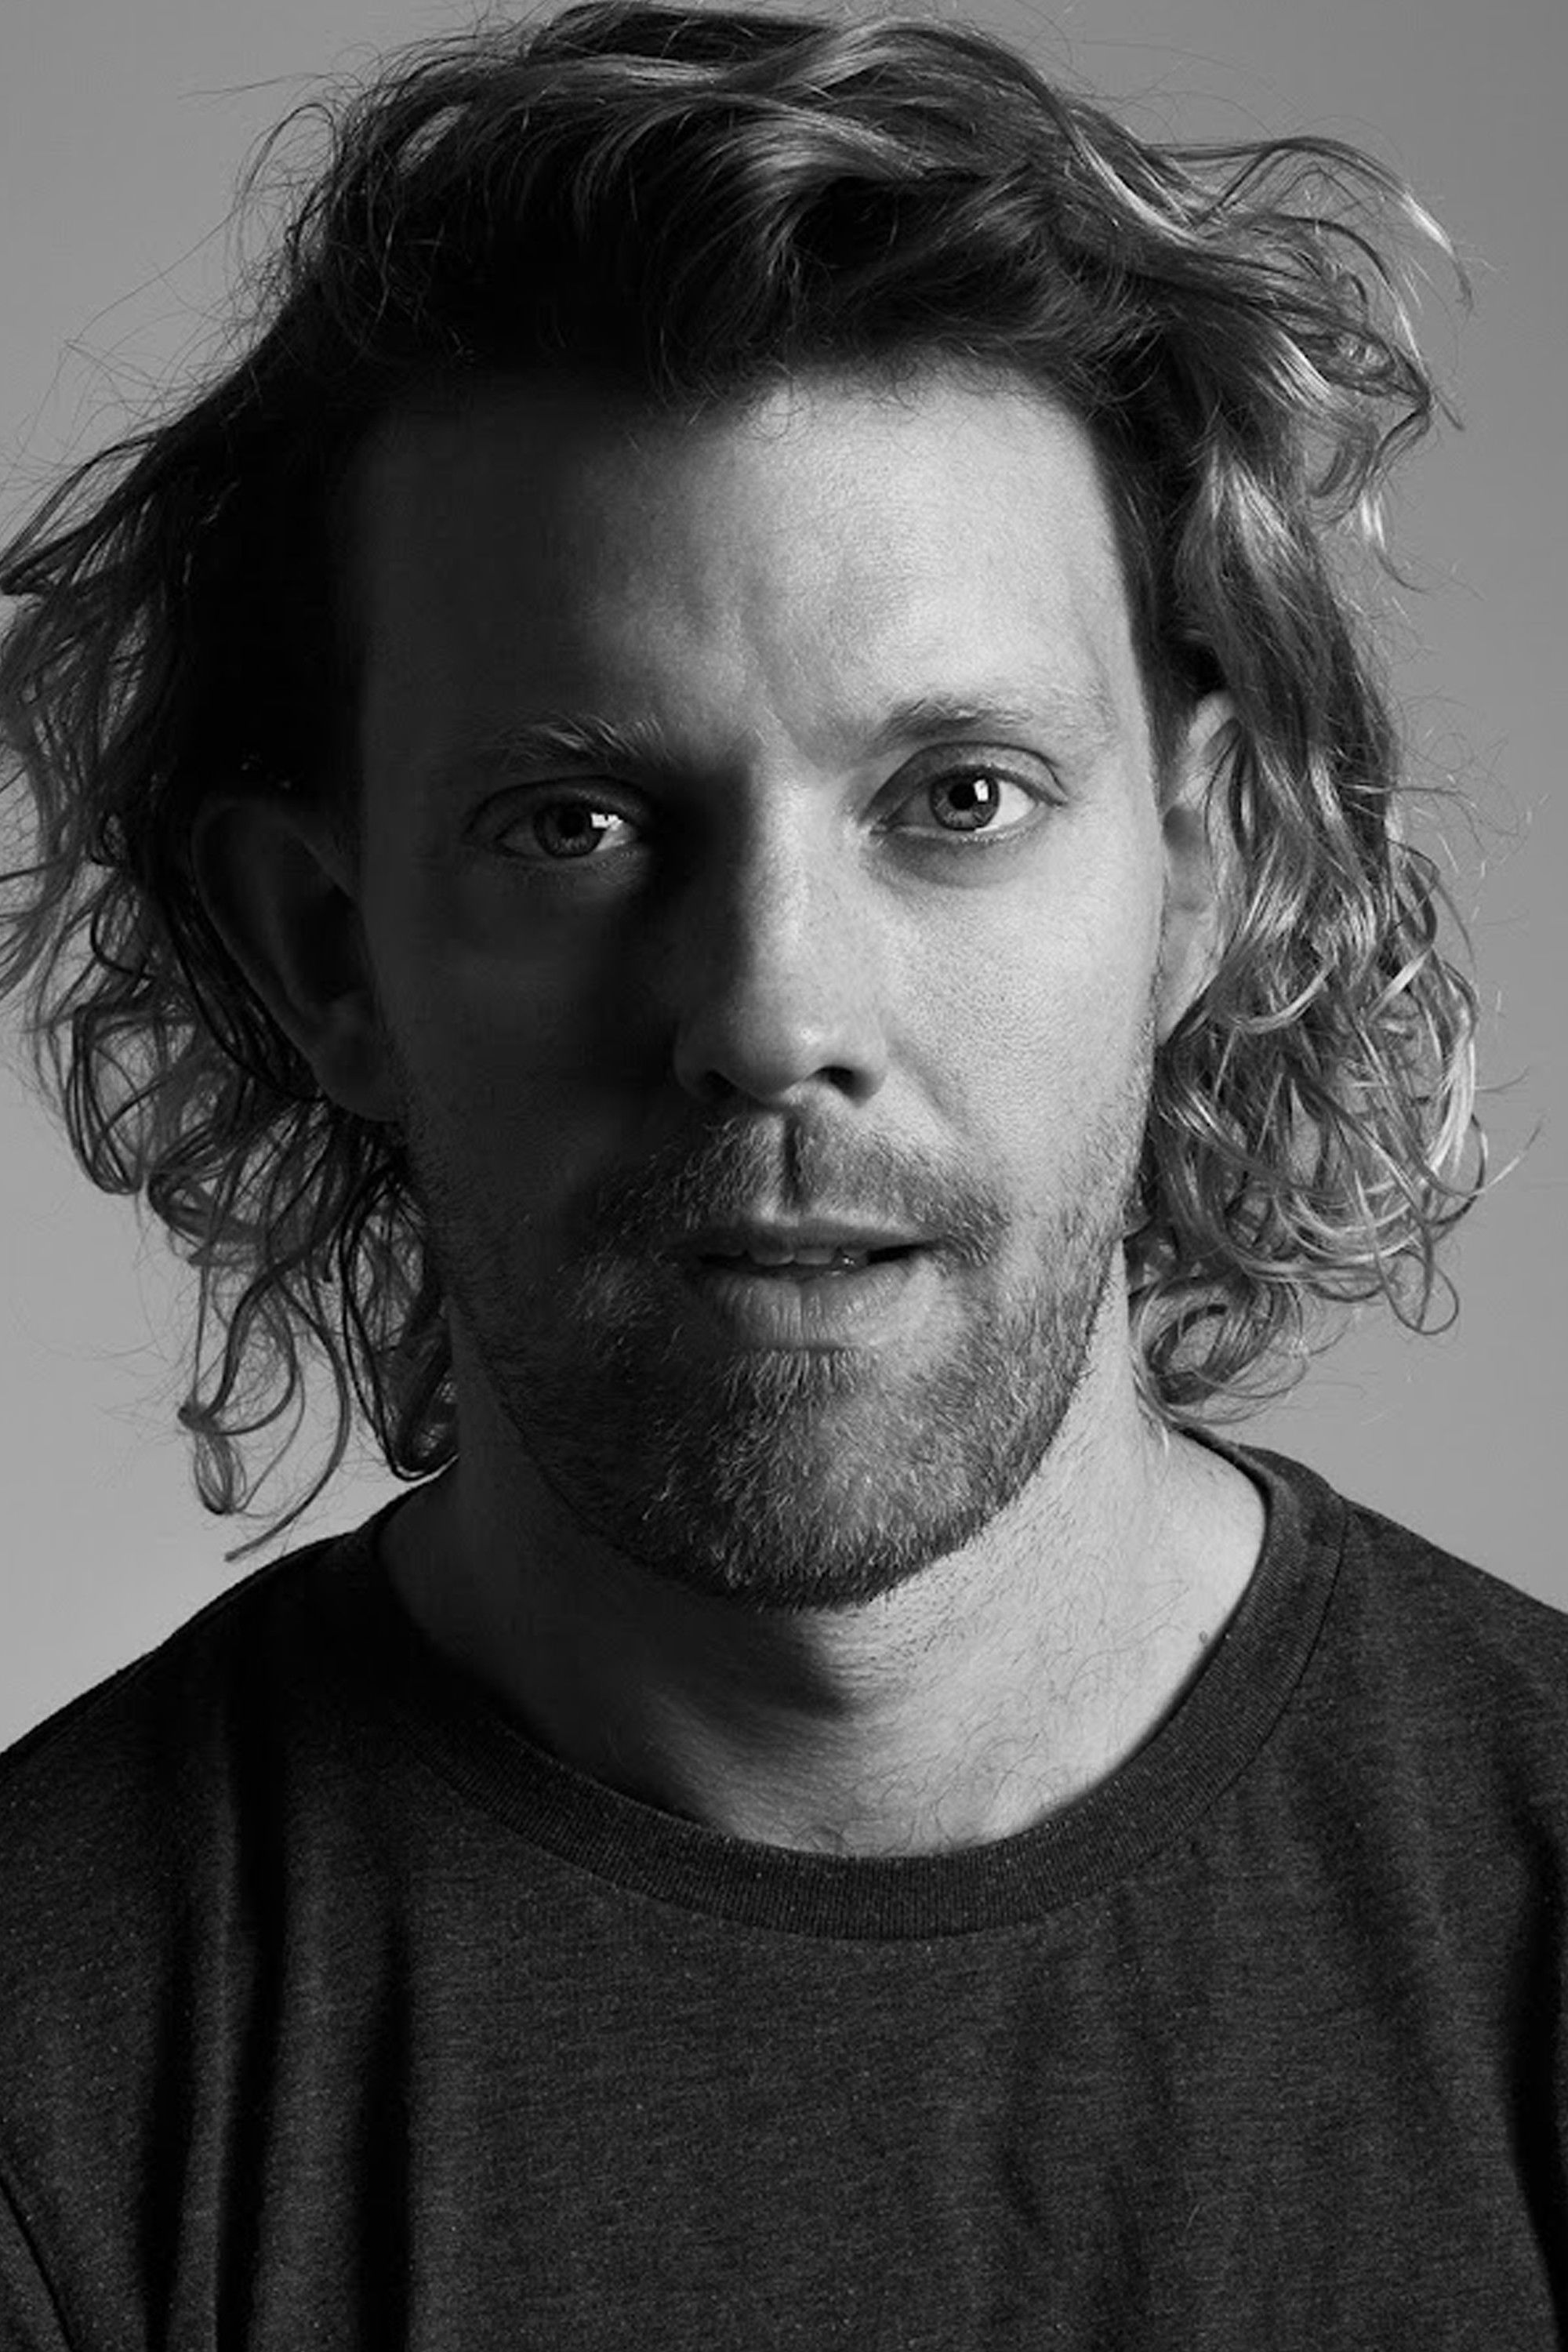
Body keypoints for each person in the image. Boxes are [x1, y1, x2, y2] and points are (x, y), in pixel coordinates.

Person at [0, 1, 1561, 2340]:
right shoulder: (59, 2079)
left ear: (1202, 872)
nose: (768, 1010)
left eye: (959, 801)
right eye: (575, 822)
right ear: (328, 952)